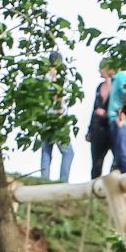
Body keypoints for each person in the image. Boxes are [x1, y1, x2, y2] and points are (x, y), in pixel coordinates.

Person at [37, 51, 76, 182]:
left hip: (44, 119)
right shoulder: (57, 76)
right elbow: (56, 95)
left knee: (46, 152)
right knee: (68, 152)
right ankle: (63, 180)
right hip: (56, 118)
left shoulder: (43, 77)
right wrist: (59, 112)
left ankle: (44, 180)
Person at [86, 61, 115, 179]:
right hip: (98, 128)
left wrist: (107, 114)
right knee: (96, 163)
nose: (99, 71)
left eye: (101, 68)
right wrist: (90, 130)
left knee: (117, 160)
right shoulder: (99, 87)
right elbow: (94, 109)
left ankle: (113, 185)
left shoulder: (117, 86)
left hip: (112, 127)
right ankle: (94, 190)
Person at [105, 63, 126, 174]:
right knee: (117, 153)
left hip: (120, 120)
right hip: (114, 119)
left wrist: (121, 114)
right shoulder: (114, 80)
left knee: (122, 152)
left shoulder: (121, 77)